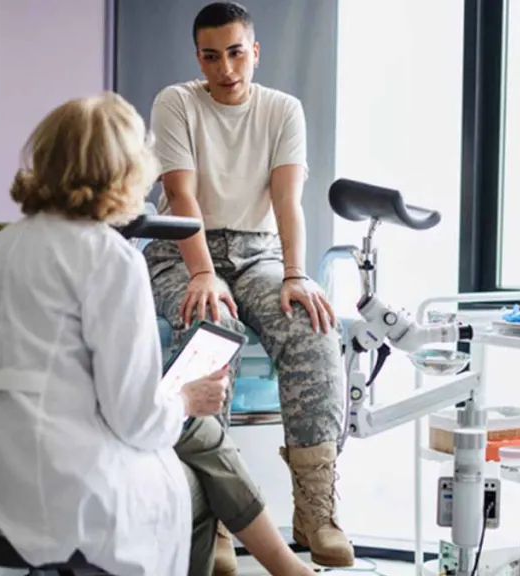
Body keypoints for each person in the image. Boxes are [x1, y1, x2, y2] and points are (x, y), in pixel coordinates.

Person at [0, 93, 314, 576]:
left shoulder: (7, 243)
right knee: (195, 491)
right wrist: (187, 399)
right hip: (61, 489)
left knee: (193, 440)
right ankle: (286, 566)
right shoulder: (109, 258)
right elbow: (137, 421)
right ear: (127, 170)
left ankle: (286, 568)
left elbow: (56, 374)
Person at [143, 1, 353, 570]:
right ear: (198, 58)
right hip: (183, 249)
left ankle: (315, 513)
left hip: (259, 253)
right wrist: (203, 272)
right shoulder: (177, 102)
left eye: (236, 53)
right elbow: (181, 198)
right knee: (214, 330)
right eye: (212, 57)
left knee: (312, 325)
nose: (226, 69)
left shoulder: (283, 110)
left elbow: (288, 201)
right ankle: (213, 519)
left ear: (254, 52)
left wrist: (295, 273)